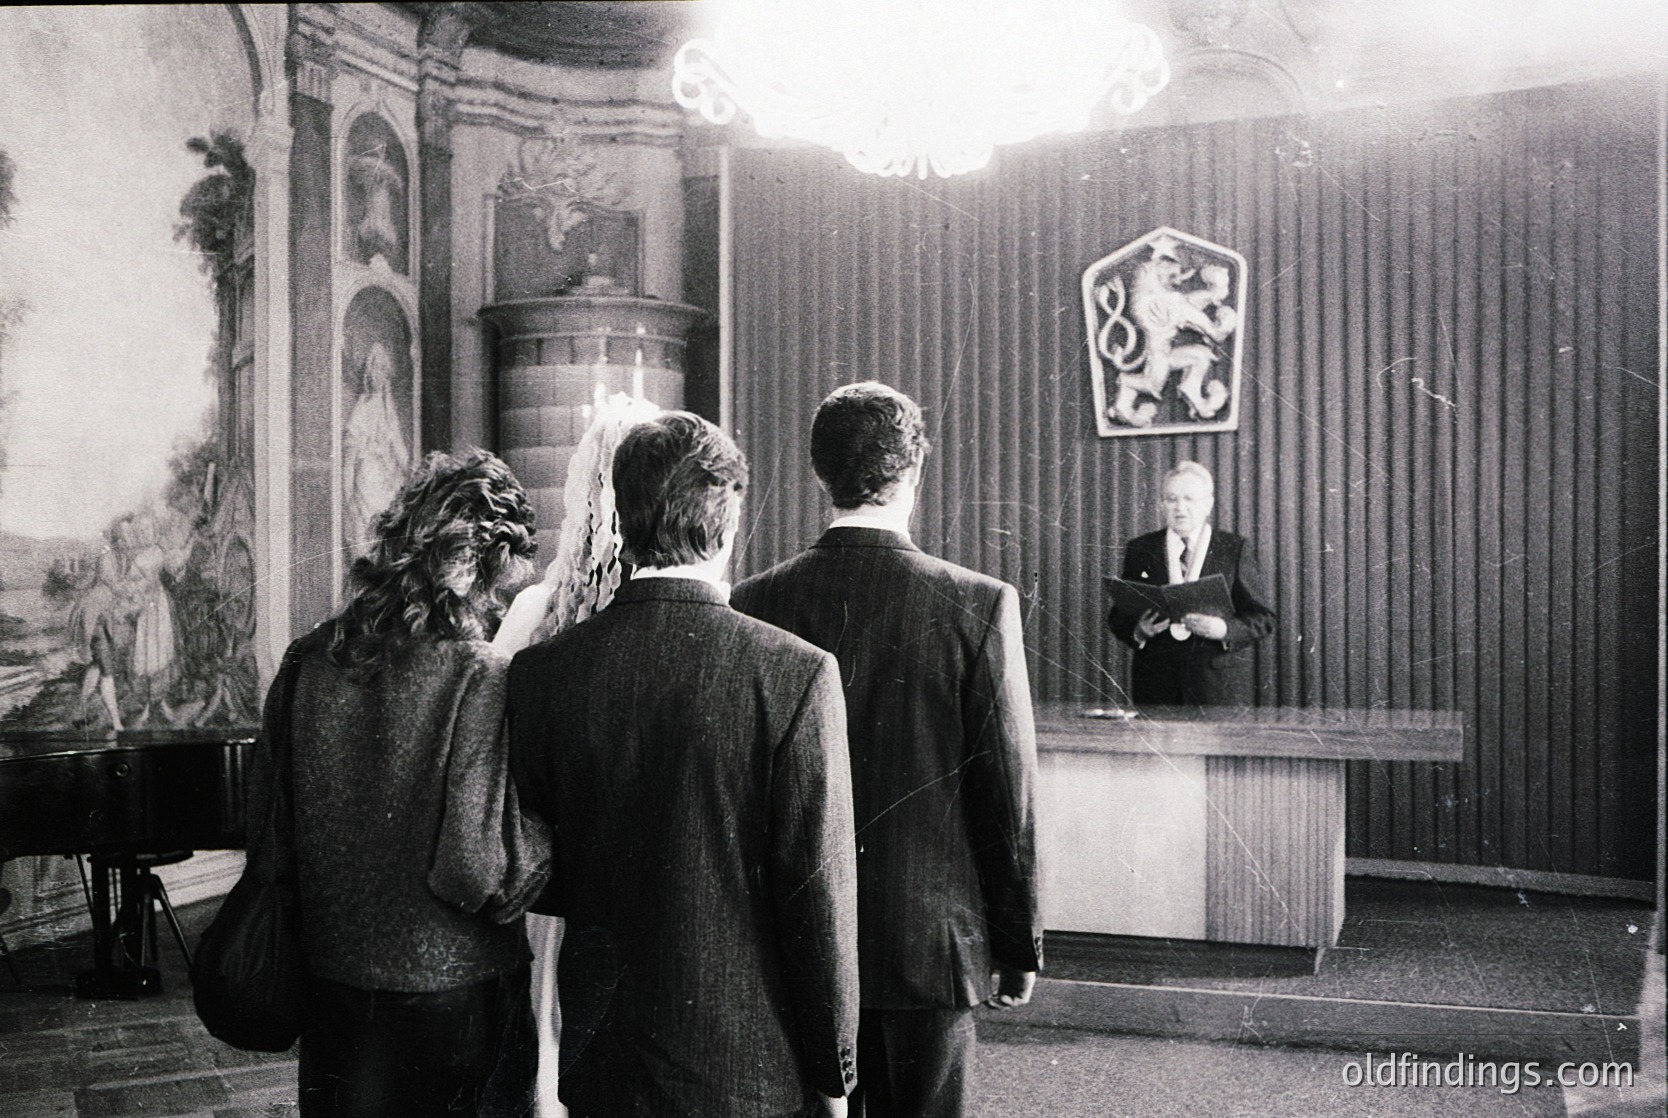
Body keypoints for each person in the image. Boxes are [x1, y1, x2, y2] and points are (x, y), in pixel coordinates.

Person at [508, 412, 859, 1118]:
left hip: (601, 1057)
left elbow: (542, 881)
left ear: (625, 520)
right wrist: (835, 1075)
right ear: (728, 524)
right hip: (745, 1064)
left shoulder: (544, 674)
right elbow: (817, 901)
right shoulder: (793, 675)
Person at [731, 382, 1042, 1118]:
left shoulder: (754, 602)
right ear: (913, 473)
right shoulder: (978, 604)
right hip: (929, 946)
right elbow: (1008, 795)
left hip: (793, 944)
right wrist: (1017, 940)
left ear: (820, 475)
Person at [250, 449, 555, 1118]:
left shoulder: (307, 660)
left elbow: (267, 825)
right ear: (476, 567)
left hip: (333, 997)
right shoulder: (479, 673)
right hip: (457, 1003)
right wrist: (544, 838)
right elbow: (475, 873)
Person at [1106, 460, 1276, 707]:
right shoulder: (1141, 549)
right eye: (1172, 499)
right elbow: (1118, 616)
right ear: (1162, 504)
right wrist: (1138, 630)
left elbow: (1263, 618)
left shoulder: (1233, 549)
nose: (1180, 508)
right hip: (1154, 684)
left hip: (1214, 686)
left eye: (1189, 499)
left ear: (1208, 504)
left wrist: (1224, 630)